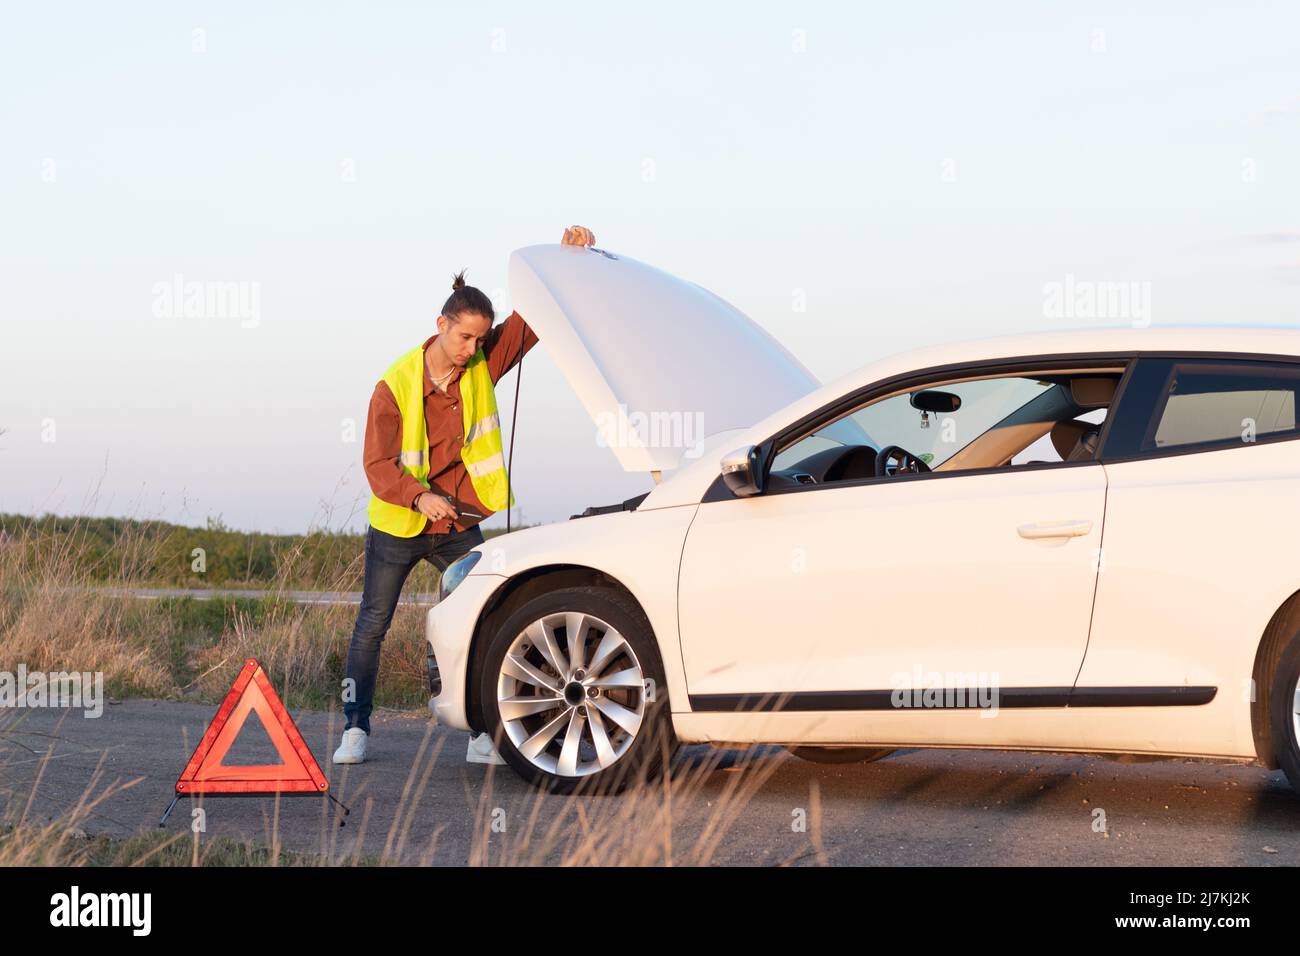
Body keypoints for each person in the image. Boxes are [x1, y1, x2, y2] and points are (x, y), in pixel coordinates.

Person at [333, 224, 598, 765]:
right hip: (399, 525)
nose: (474, 350)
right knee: (371, 626)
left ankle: (483, 735)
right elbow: (377, 464)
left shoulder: (481, 363)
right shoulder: (394, 385)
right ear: (441, 325)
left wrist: (568, 260)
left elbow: (533, 324)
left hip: (457, 522)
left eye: (481, 339)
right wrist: (416, 496)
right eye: (464, 338)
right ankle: (355, 729)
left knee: (488, 617)